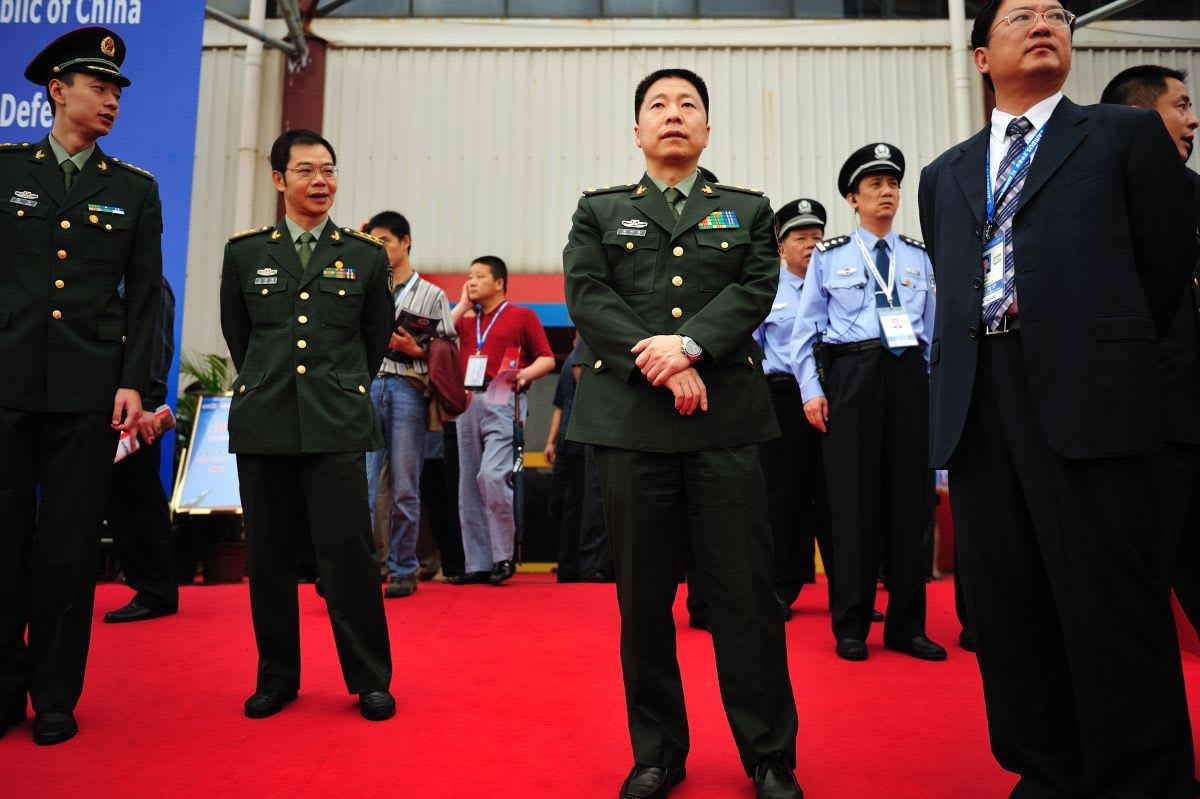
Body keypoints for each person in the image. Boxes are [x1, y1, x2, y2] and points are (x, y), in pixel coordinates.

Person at [917, 3, 1197, 795]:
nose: (1044, 24)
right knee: (1009, 607)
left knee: (1111, 599)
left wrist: (1095, 346)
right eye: (1021, 16)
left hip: (1091, 393)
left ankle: (1143, 776)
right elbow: (955, 280)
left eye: (1057, 16)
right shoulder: (945, 174)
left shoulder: (1120, 136)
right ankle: (1046, 769)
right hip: (981, 407)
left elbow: (1163, 265)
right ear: (980, 55)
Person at [563, 68, 802, 799]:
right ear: (637, 130)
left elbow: (755, 288)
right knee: (642, 600)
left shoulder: (747, 209)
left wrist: (691, 346)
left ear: (707, 129)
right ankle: (658, 752)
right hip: (632, 426)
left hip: (723, 426)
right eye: (658, 106)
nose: (674, 115)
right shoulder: (600, 211)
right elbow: (588, 295)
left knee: (745, 595)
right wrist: (664, 364)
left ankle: (769, 755)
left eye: (688, 105)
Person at [0, 27, 162, 746]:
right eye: (98, 87)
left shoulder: (134, 189)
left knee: (68, 546)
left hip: (90, 388)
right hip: (6, 380)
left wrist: (134, 381)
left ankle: (55, 692)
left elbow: (145, 298)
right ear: (57, 91)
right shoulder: (5, 172)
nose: (112, 99)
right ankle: (3, 690)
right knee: (3, 539)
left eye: (118, 90)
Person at [219, 129, 396, 722]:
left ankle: (370, 677)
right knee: (267, 556)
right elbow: (240, 338)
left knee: (347, 554)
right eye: (305, 171)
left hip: (336, 419)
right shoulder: (245, 252)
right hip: (265, 418)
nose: (320, 181)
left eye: (329, 170)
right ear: (278, 180)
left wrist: (339, 384)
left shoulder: (365, 254)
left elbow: (372, 341)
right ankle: (277, 678)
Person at [789, 144, 944, 664]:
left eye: (893, 184)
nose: (887, 192)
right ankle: (851, 624)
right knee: (852, 505)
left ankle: (906, 625)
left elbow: (932, 336)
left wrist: (932, 395)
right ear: (852, 198)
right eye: (875, 185)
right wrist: (812, 391)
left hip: (907, 379)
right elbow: (804, 331)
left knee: (910, 506)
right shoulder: (830, 257)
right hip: (852, 375)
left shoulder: (919, 257)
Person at [1100, 64, 1200, 639]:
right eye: (1180, 106)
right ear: (1140, 118)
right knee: (1138, 580)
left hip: (1193, 415)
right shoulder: (1104, 199)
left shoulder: (1191, 192)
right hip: (1148, 423)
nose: (1192, 120)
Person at [361, 210, 455, 599]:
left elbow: (450, 349)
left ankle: (402, 568)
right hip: (367, 387)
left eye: (383, 241)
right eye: (373, 242)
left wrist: (413, 347)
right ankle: (361, 567)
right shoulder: (365, 289)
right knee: (361, 485)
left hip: (407, 388)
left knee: (404, 485)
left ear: (405, 242)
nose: (379, 249)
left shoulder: (432, 294)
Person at [450, 256, 554, 585]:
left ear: (499, 282)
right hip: (467, 399)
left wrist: (522, 375)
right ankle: (478, 563)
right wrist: (463, 303)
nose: (472, 281)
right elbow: (441, 332)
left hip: (502, 394)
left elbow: (548, 358)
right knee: (469, 484)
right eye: (469, 276)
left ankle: (504, 556)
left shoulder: (522, 315)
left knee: (492, 475)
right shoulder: (466, 322)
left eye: (480, 276)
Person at [756, 198, 833, 619]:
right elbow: (753, 350)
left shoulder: (837, 283)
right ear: (781, 247)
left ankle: (847, 589)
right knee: (782, 496)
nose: (811, 243)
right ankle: (780, 588)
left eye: (817, 236)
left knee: (836, 496)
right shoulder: (766, 289)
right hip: (783, 400)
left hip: (831, 398)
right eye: (800, 237)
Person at [103, 276, 179, 623]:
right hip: (100, 406)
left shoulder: (147, 284)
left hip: (135, 411)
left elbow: (156, 343)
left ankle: (156, 591)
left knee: (136, 500)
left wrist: (148, 401)